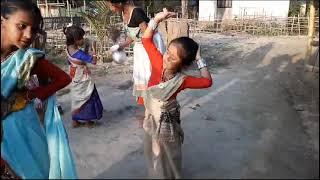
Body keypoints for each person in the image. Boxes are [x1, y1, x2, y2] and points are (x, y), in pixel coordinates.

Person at [1, 0, 77, 179]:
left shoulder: (27, 59)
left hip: (22, 127)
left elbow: (63, 78)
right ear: (2, 20)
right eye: (22, 26)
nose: (28, 35)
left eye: (33, 29)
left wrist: (34, 94)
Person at [141, 9, 213, 179]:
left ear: (183, 64)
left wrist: (199, 58)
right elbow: (146, 39)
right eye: (167, 52)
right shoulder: (158, 61)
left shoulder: (183, 80)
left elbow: (207, 81)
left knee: (168, 151)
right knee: (153, 149)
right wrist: (157, 19)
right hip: (151, 115)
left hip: (167, 121)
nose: (166, 58)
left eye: (173, 58)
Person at [106, 0, 166, 106]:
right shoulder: (123, 14)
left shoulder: (137, 13)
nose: (110, 8)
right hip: (140, 47)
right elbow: (132, 36)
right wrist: (120, 46)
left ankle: (155, 101)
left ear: (119, 3)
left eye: (110, 5)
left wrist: (152, 58)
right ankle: (146, 101)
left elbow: (148, 35)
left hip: (149, 44)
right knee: (140, 75)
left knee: (150, 73)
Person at [64, 25, 104, 128]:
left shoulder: (69, 48)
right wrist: (94, 50)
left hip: (74, 74)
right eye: (81, 38)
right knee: (87, 95)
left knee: (76, 97)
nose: (83, 39)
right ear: (75, 40)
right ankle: (87, 120)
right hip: (82, 76)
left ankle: (75, 121)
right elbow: (93, 61)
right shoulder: (79, 53)